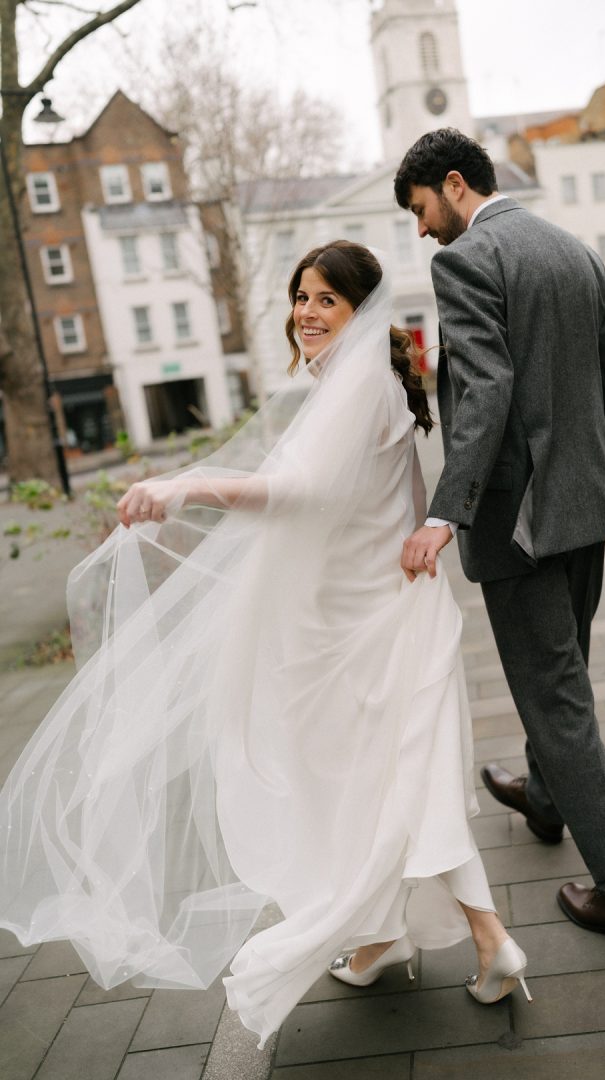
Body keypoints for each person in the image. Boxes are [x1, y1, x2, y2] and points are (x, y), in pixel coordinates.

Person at [0, 241, 531, 1051]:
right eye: (301, 296)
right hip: (386, 614)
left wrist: (183, 485)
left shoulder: (358, 387)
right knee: (405, 787)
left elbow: (301, 493)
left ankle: (451, 938)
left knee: (385, 788)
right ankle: (441, 939)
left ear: (361, 310)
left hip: (361, 633)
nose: (307, 313)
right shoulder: (368, 384)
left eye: (326, 300)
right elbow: (397, 500)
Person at [393, 129, 605, 951]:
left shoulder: (466, 261)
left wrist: (446, 512)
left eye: (420, 209)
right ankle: (546, 800)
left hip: (520, 530)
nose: (421, 229)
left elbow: (486, 393)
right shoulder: (574, 251)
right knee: (565, 675)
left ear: (452, 183)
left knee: (556, 702)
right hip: (585, 507)